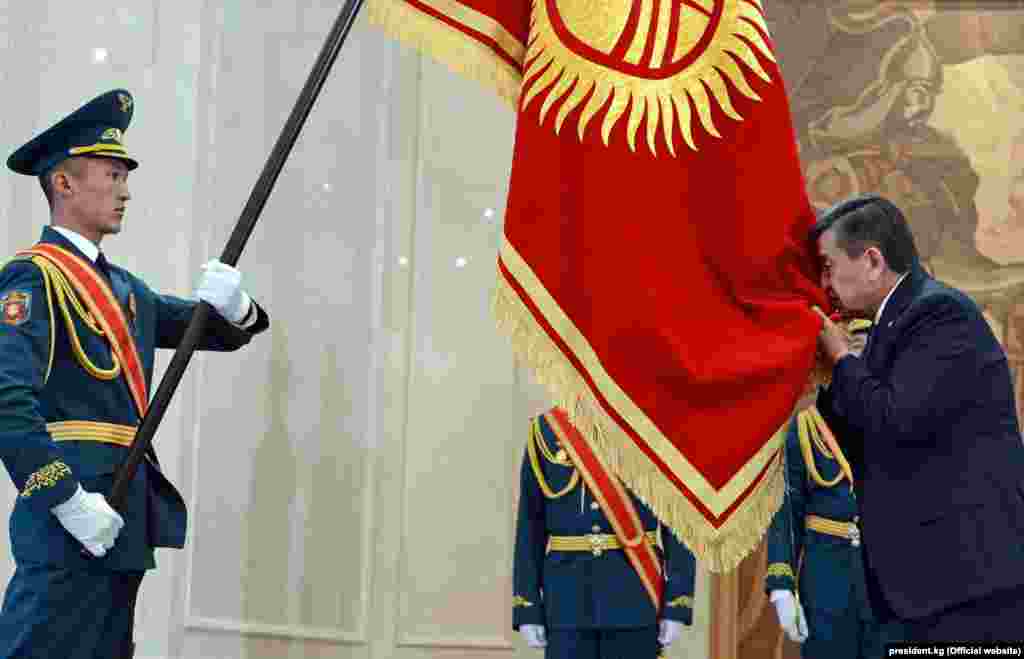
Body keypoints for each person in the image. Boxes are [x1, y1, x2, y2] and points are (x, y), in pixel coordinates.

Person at [0, 89, 270, 658]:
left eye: (125, 177)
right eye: (112, 175)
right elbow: (6, 402)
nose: (125, 191)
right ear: (63, 183)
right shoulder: (33, 278)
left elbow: (214, 330)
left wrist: (236, 304)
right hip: (70, 514)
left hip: (124, 510)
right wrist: (67, 499)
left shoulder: (126, 290)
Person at [813, 193, 1024, 642]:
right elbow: (864, 440)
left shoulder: (938, 313)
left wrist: (842, 360)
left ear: (873, 261)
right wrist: (829, 377)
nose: (824, 283)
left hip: (968, 587)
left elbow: (894, 422)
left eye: (828, 266)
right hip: (924, 588)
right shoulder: (894, 322)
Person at [766, 318, 907, 656]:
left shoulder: (900, 422)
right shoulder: (805, 428)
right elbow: (786, 511)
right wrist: (781, 587)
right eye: (849, 349)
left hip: (892, 586)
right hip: (826, 582)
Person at [512, 406, 695, 659]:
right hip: (567, 602)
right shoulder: (547, 430)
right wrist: (527, 607)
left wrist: (677, 603)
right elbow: (530, 525)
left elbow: (679, 522)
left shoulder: (656, 427)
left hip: (635, 595)